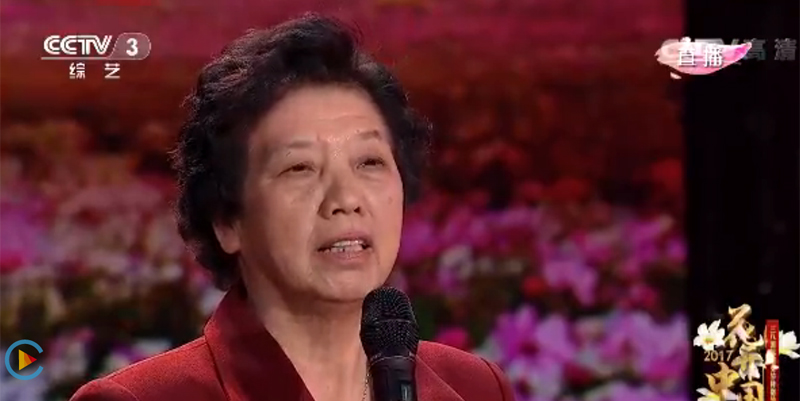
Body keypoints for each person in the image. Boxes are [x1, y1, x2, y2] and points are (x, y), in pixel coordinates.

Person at [71, 14, 515, 401]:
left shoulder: (477, 387)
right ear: (226, 220)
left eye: (370, 162)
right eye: (300, 168)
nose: (346, 200)